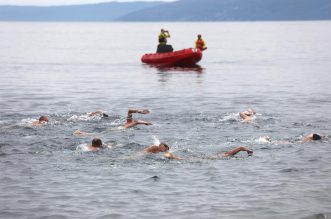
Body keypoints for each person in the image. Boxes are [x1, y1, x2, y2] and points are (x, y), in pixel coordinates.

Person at [164, 146, 253, 160]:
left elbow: (241, 148)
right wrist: (249, 151)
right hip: (214, 157)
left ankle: (172, 156)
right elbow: (241, 147)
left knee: (188, 159)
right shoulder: (229, 154)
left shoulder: (228, 153)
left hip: (213, 156)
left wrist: (248, 150)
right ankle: (172, 156)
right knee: (187, 159)